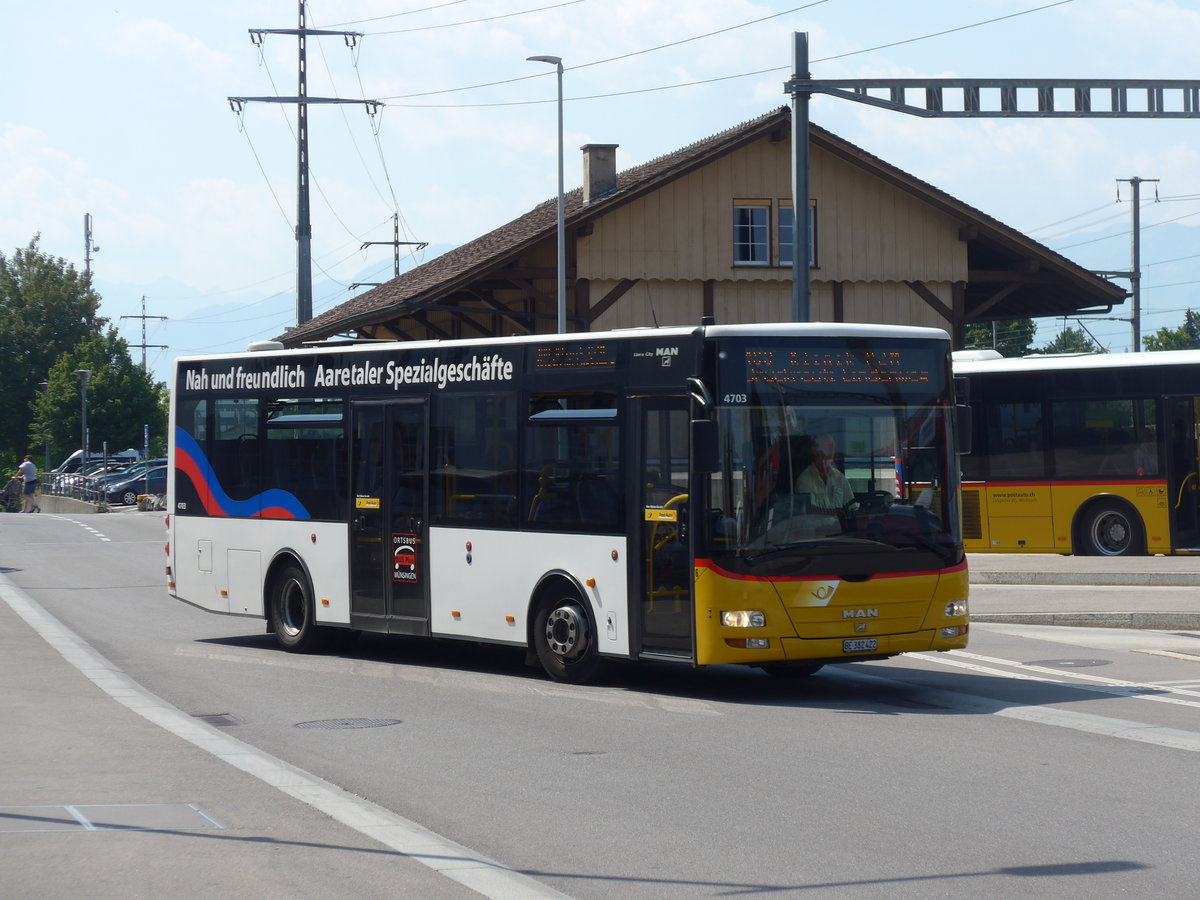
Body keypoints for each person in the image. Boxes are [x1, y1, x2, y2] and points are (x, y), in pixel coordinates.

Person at [794, 434, 855, 515]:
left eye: (831, 450)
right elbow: (808, 511)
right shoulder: (804, 479)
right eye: (824, 451)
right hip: (815, 523)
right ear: (814, 453)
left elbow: (852, 506)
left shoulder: (840, 478)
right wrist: (835, 513)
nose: (828, 455)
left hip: (839, 523)